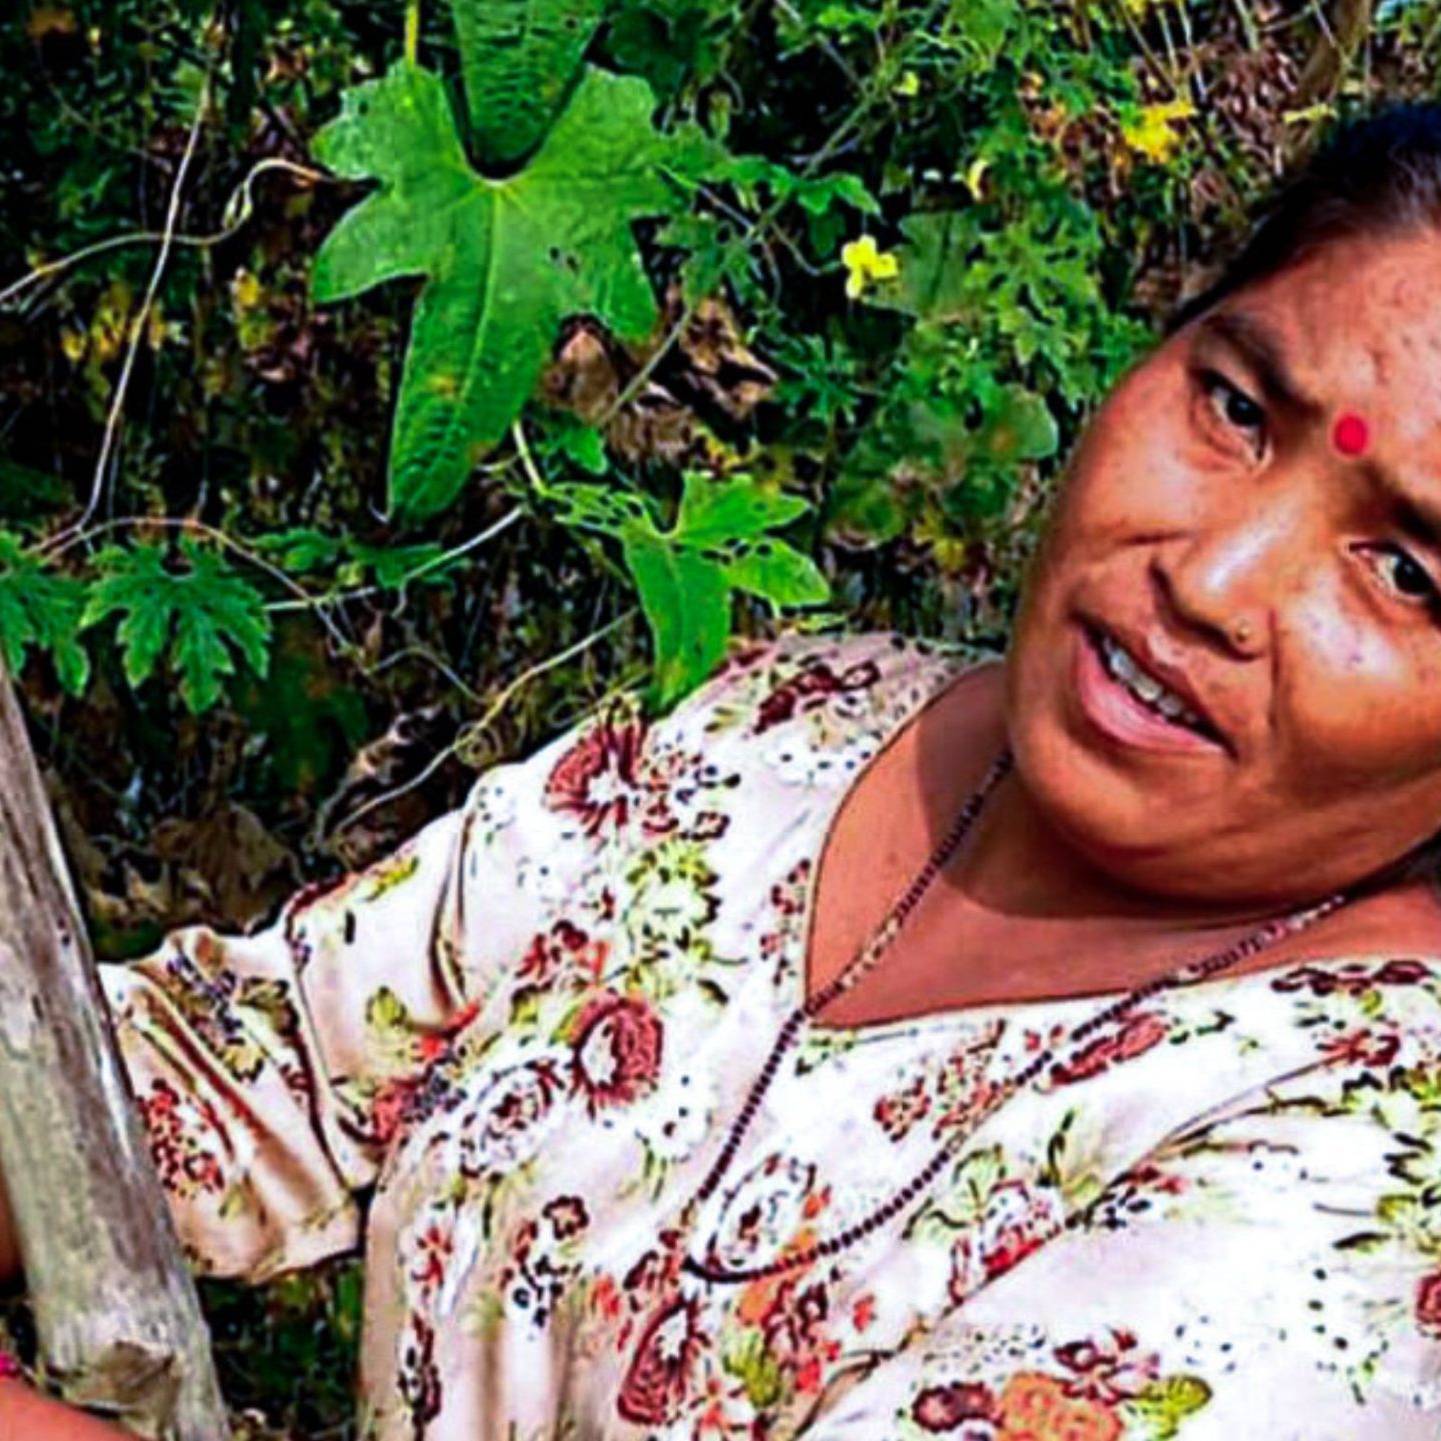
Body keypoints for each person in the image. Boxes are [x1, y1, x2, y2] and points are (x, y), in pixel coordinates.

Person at [9, 102, 1441, 1441]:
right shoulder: (790, 727)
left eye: (1404, 571)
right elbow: (251, 1062)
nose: (1207, 578)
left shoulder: (1370, 1186)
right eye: (1238, 407)